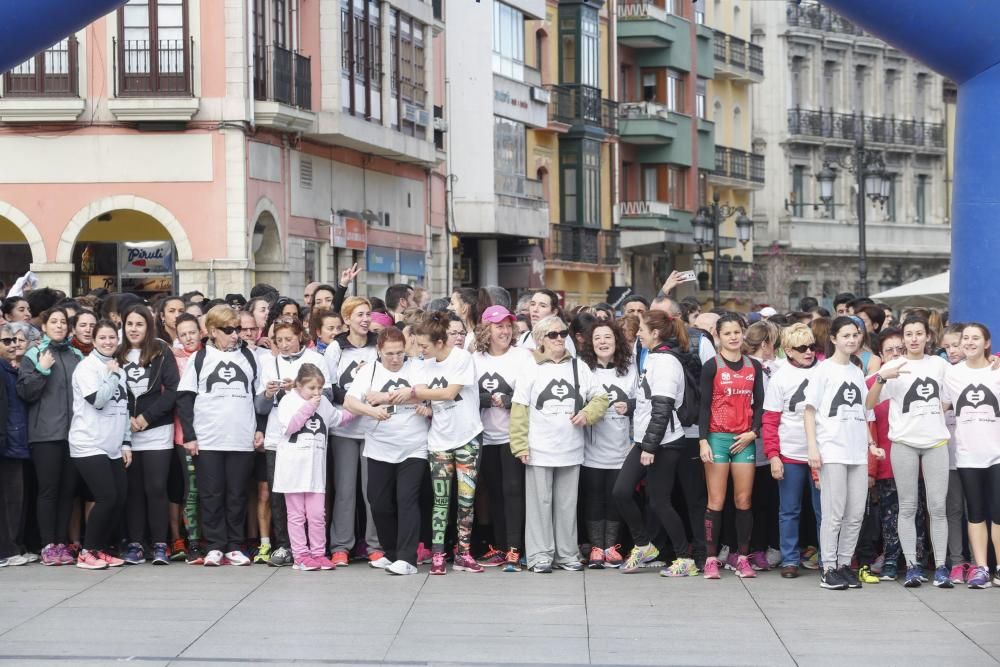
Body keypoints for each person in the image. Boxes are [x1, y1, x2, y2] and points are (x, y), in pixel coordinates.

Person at [510, 315, 607, 573]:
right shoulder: (530, 367)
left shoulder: (578, 367)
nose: (560, 338)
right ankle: (540, 555)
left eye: (563, 333)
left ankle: (567, 554)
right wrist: (519, 445)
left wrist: (588, 414)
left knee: (566, 505)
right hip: (538, 448)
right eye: (553, 334)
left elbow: (600, 397)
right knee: (539, 505)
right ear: (541, 339)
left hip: (571, 448)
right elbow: (519, 409)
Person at [865, 315, 952, 588]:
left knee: (937, 507)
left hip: (936, 442)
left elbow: (950, 397)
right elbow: (868, 402)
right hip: (904, 443)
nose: (914, 338)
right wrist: (881, 377)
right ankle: (912, 566)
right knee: (907, 506)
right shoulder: (895, 366)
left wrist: (938, 411)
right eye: (909, 334)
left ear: (928, 336)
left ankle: (940, 567)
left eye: (919, 333)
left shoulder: (939, 364)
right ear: (903, 338)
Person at [614, 311, 698, 577]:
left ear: (656, 333)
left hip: (665, 442)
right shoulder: (654, 357)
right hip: (646, 438)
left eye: (642, 330)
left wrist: (650, 448)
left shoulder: (666, 362)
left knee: (660, 502)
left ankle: (686, 558)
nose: (638, 334)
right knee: (621, 492)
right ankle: (644, 544)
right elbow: (649, 401)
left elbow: (662, 409)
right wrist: (630, 408)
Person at [177, 305, 261, 566]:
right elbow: (185, 398)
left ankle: (235, 545)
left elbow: (260, 397)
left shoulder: (249, 356)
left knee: (237, 494)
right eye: (228, 330)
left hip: (241, 437)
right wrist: (189, 436)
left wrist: (261, 429)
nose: (235, 335)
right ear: (213, 331)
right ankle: (214, 545)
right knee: (211, 493)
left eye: (237, 329)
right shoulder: (200, 359)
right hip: (208, 437)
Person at [346, 327, 430, 575]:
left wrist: (380, 397)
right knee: (378, 502)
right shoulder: (369, 370)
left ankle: (408, 558)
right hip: (379, 445)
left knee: (407, 500)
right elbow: (350, 402)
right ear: (379, 351)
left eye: (400, 353)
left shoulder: (416, 366)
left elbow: (422, 395)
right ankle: (391, 553)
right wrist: (371, 410)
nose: (395, 359)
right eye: (389, 354)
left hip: (414, 444)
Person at [805, 316, 880, 590]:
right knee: (833, 513)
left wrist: (871, 444)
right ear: (834, 338)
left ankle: (844, 564)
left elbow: (863, 411)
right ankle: (828, 568)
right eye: (846, 335)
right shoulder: (823, 371)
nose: (852, 339)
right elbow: (809, 411)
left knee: (856, 513)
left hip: (857, 451)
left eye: (855, 335)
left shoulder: (857, 372)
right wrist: (813, 447)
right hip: (832, 450)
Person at [407, 311, 485, 574]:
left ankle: (464, 553)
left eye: (424, 346)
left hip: (468, 438)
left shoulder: (462, 358)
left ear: (440, 342)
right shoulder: (420, 364)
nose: (420, 350)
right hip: (439, 441)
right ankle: (438, 553)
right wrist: (410, 395)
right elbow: (420, 396)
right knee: (441, 500)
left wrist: (414, 393)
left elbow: (449, 393)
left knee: (466, 500)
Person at [255, 317, 329, 567]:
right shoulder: (269, 363)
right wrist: (268, 393)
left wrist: (298, 390)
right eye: (279, 341)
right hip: (279, 436)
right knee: (281, 496)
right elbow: (260, 406)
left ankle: (316, 549)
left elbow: (327, 395)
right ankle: (286, 546)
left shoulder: (315, 359)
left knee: (313, 499)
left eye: (289, 339)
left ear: (300, 336)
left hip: (311, 437)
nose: (284, 345)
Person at [699, 313, 764, 579]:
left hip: (743, 439)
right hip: (717, 438)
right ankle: (711, 558)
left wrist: (754, 432)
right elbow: (703, 407)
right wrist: (703, 440)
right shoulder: (711, 365)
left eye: (737, 332)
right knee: (716, 500)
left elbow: (760, 405)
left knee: (743, 500)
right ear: (718, 336)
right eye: (728, 333)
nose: (734, 337)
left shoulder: (754, 366)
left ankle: (742, 558)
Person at [17, 306, 83, 566]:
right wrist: (42, 370)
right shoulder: (34, 354)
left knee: (68, 491)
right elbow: (26, 392)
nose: (59, 326)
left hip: (74, 435)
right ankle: (47, 545)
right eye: (53, 322)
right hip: (45, 434)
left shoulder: (76, 354)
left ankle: (61, 542)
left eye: (63, 322)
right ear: (43, 327)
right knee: (48, 491)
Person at [471, 305, 532, 571]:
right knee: (493, 492)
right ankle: (500, 546)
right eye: (499, 326)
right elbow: (466, 392)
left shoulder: (522, 357)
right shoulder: (474, 358)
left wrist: (509, 400)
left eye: (508, 326)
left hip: (513, 436)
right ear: (486, 329)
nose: (505, 331)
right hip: (485, 436)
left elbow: (530, 391)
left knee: (513, 491)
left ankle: (516, 549)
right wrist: (488, 399)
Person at [324, 296, 382, 567]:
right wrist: (353, 399)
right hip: (345, 428)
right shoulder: (336, 348)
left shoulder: (377, 346)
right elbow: (329, 387)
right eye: (359, 314)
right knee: (345, 490)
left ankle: (375, 544)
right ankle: (340, 546)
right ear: (346, 319)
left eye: (367, 314)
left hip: (372, 427)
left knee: (372, 491)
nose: (365, 319)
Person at [118, 305, 179, 566]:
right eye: (129, 324)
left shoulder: (161, 350)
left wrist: (146, 417)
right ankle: (135, 543)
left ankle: (160, 544)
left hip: (156, 430)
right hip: (125, 434)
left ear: (149, 325)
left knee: (155, 488)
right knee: (133, 490)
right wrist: (126, 421)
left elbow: (174, 390)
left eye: (139, 324)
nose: (134, 329)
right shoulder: (116, 352)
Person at [70, 319, 131, 570]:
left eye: (112, 338)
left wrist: (126, 443)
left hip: (113, 445)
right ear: (93, 341)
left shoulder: (119, 367)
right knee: (106, 497)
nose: (108, 342)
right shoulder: (87, 368)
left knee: (119, 498)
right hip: (88, 443)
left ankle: (100, 548)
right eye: (102, 338)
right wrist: (113, 375)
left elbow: (125, 408)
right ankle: (86, 552)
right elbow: (98, 400)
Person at [274, 363, 348, 571]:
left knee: (317, 514)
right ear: (298, 385)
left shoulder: (323, 402)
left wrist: (361, 409)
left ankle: (318, 553)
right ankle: (300, 555)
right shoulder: (289, 401)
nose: (316, 393)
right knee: (296, 515)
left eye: (319, 388)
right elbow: (290, 426)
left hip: (315, 469)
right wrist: (309, 407)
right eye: (311, 388)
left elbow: (338, 418)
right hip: (293, 468)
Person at [762, 323, 821, 578]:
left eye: (812, 347)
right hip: (790, 452)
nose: (808, 352)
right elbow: (770, 420)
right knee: (789, 510)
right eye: (801, 348)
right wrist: (773, 455)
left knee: (824, 510)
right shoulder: (780, 376)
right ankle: (789, 559)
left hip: (822, 452)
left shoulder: (825, 370)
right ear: (788, 350)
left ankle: (829, 558)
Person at [944, 323, 1000, 589]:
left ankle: (999, 568)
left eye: (975, 338)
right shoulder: (952, 374)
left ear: (987, 343)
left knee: (999, 514)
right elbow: (937, 405)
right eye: (965, 338)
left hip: (997, 453)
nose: (969, 342)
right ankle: (982, 568)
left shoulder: (998, 370)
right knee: (975, 513)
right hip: (967, 454)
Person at [578, 320, 635, 569]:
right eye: (597, 338)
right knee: (594, 497)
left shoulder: (630, 370)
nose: (603, 342)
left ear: (617, 341)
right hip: (591, 448)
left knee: (615, 497)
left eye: (608, 337)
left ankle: (611, 547)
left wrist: (629, 407)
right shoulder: (583, 369)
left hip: (621, 447)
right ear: (590, 343)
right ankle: (595, 548)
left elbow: (641, 401)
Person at [744, 320, 782, 571]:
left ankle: (754, 547)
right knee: (763, 500)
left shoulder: (773, 368)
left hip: (757, 439)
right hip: (760, 439)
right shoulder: (767, 368)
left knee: (755, 499)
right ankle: (760, 546)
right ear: (767, 343)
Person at [939, 323, 971, 583]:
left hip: (978, 454)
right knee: (954, 509)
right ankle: (957, 561)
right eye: (946, 346)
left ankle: (982, 560)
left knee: (979, 510)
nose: (951, 351)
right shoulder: (943, 374)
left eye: (956, 345)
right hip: (948, 453)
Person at [171, 313, 203, 564]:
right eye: (183, 334)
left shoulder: (210, 356)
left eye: (192, 332)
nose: (188, 337)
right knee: (191, 489)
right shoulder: (173, 360)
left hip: (213, 433)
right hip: (184, 435)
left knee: (211, 489)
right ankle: (192, 541)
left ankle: (210, 538)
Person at [0, 326, 30, 566]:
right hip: (6, 443)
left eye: (15, 340)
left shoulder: (12, 370)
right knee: (9, 499)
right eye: (6, 340)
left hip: (17, 441)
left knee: (17, 498)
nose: (12, 344)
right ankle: (6, 551)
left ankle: (15, 547)